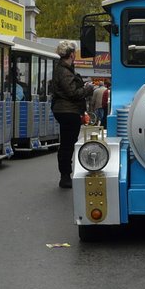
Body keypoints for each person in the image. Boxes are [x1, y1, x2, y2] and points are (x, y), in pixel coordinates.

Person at [50, 40, 94, 189]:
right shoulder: (65, 71)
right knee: (68, 144)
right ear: (70, 54)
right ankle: (65, 176)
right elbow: (73, 93)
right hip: (68, 111)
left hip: (65, 110)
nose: (75, 55)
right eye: (74, 52)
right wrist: (88, 89)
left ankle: (65, 174)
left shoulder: (64, 69)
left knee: (67, 144)